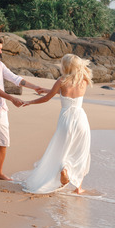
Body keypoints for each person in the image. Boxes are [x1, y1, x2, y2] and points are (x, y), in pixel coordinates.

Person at [0, 35, 47, 188]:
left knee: (3, 142)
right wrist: (12, 98)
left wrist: (35, 87)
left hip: (1, 108)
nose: (0, 52)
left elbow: (15, 79)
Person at [19, 54, 93, 194]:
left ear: (65, 66)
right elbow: (69, 92)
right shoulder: (84, 80)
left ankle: (64, 168)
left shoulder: (61, 81)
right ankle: (78, 188)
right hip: (80, 118)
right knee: (80, 151)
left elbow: (48, 98)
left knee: (63, 149)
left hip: (66, 119)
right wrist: (49, 90)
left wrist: (29, 102)